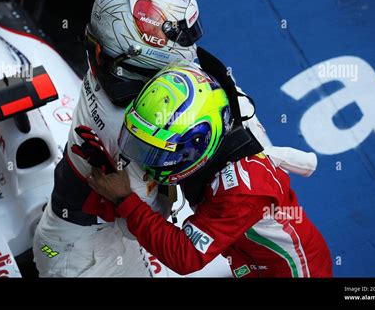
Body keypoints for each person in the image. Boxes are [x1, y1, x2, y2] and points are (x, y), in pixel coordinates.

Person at [33, 0, 316, 277]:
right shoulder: (223, 93)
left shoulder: (104, 59)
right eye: (176, 34)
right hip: (86, 252)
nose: (186, 46)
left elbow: (181, 249)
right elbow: (145, 221)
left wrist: (127, 198)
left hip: (272, 261)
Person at [87, 60, 333, 277]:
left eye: (156, 153)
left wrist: (125, 199)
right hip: (250, 257)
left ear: (198, 142)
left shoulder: (240, 193)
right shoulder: (213, 102)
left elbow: (185, 257)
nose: (148, 161)